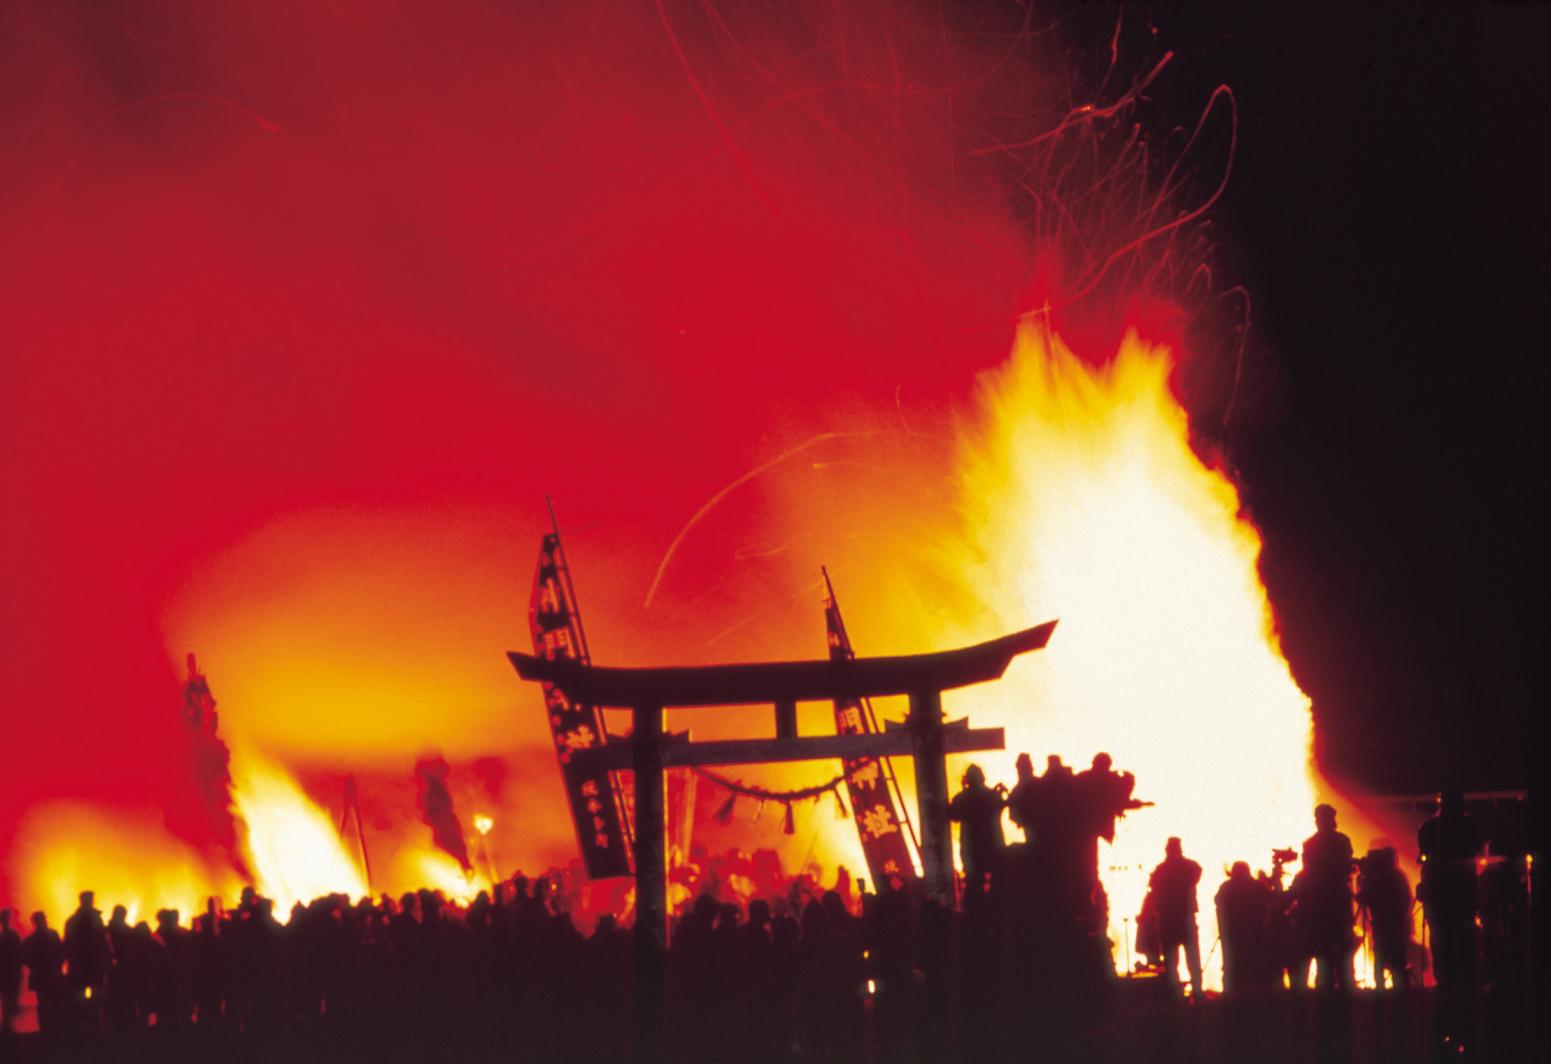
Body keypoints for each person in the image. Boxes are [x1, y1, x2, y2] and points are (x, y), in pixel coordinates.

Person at [1417, 789, 1482, 996]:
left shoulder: (1429, 828)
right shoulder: (1470, 827)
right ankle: (1465, 981)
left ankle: (1448, 981)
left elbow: (1426, 859)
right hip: (1460, 890)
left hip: (1441, 891)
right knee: (1461, 936)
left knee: (1444, 937)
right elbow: (1476, 851)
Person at [1299, 804, 1355, 990]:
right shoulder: (1342, 841)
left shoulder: (1309, 844)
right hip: (1338, 904)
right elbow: (1347, 867)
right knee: (1343, 955)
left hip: (1318, 907)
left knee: (1323, 955)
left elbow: (1309, 873)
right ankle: (1344, 993)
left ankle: (1325, 995)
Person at [1147, 837, 1203, 999]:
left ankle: (1175, 993)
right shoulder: (1190, 867)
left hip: (1168, 920)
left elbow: (1153, 886)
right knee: (1192, 957)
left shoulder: (1160, 870)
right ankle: (1197, 992)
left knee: (1171, 960)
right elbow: (1197, 872)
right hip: (1186, 917)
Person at [948, 765, 1006, 909]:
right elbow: (1000, 807)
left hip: (971, 847)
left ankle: (975, 915)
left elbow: (951, 815)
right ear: (982, 777)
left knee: (974, 886)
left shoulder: (962, 798)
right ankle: (997, 910)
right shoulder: (992, 795)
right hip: (993, 844)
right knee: (998, 882)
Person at [1356, 846, 1413, 990]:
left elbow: (1365, 898)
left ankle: (1382, 996)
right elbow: (1407, 900)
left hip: (1384, 925)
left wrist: (1361, 883)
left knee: (1382, 961)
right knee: (1397, 961)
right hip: (1398, 925)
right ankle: (1401, 995)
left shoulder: (1378, 878)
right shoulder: (1397, 875)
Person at [1215, 861, 1271, 993]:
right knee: (1255, 963)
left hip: (1231, 934)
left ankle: (1231, 995)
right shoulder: (1257, 886)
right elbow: (1270, 898)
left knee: (1231, 965)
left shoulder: (1226, 887)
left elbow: (1217, 901)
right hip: (1255, 933)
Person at [21, 912, 66, 1035]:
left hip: (39, 977)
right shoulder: (52, 935)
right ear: (44, 921)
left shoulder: (30, 940)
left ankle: (45, 1030)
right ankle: (56, 1030)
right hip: (54, 975)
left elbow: (24, 958)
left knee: (43, 1004)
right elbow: (61, 953)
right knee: (56, 1003)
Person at [0, 909, 21, 1034]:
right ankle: (8, 1027)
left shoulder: (3, 937)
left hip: (4, 972)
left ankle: (6, 1026)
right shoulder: (13, 935)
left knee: (5, 999)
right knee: (11, 998)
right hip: (11, 972)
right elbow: (19, 954)